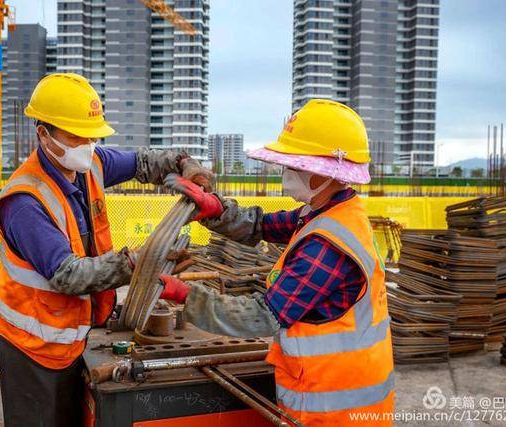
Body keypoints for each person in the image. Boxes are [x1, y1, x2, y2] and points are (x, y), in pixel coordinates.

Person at [0, 73, 214, 427]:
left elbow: (142, 162)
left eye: (91, 135)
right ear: (43, 133)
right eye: (74, 135)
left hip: (76, 333)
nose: (86, 143)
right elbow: (68, 275)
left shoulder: (88, 163)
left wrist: (182, 162)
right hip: (33, 346)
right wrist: (136, 262)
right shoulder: (26, 201)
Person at [160, 99, 394, 426]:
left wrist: (188, 296)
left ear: (323, 171)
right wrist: (217, 210)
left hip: (331, 407)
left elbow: (261, 316)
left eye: (295, 164)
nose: (287, 172)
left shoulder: (327, 249)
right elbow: (262, 226)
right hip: (337, 391)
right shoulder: (329, 212)